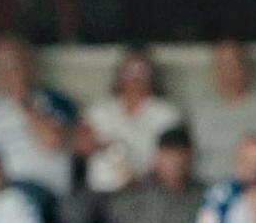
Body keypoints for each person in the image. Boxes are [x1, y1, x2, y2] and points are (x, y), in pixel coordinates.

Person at [0, 35, 77, 206]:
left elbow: (52, 141)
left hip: (42, 188)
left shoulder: (55, 101)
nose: (8, 70)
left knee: (12, 203)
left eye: (13, 62)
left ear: (31, 65)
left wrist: (22, 101)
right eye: (0, 64)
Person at [77, 48, 183, 196]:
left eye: (142, 71)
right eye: (129, 71)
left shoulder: (167, 113)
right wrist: (102, 146)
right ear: (119, 75)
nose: (135, 78)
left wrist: (139, 178)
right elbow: (80, 145)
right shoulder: (100, 110)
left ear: (152, 75)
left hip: (148, 189)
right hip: (101, 191)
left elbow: (175, 158)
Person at [190, 40, 256, 188]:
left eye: (233, 63)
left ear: (245, 67)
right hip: (204, 188)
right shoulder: (199, 108)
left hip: (248, 189)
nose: (228, 70)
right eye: (222, 64)